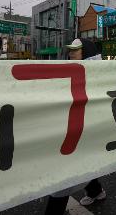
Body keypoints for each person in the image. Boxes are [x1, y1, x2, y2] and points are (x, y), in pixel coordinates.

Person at [45, 38, 106, 214]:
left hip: (87, 127)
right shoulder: (68, 69)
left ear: (85, 52)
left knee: (63, 175)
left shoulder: (99, 72)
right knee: (78, 163)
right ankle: (96, 191)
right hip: (71, 126)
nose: (71, 53)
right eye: (70, 49)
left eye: (76, 50)